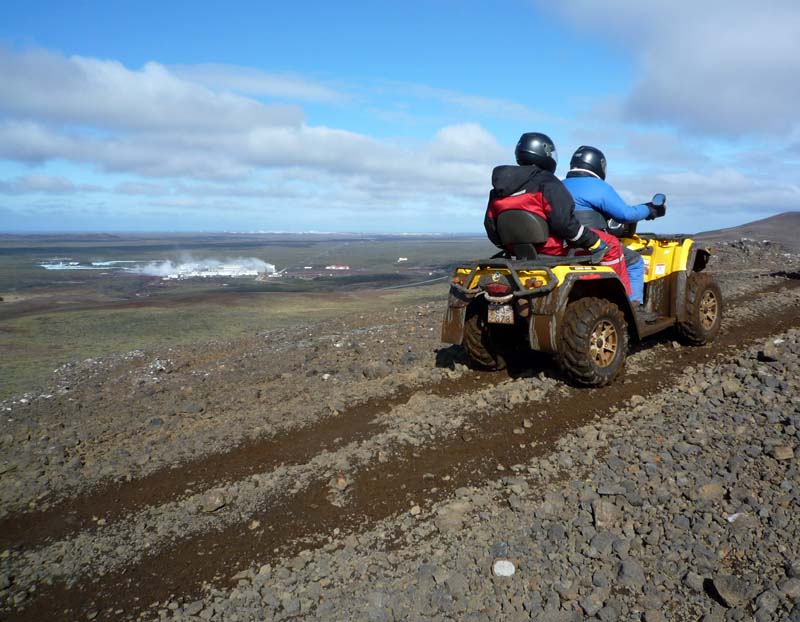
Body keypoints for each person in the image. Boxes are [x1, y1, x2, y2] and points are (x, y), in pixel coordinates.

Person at [484, 132, 631, 295]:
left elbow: (490, 226)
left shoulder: (498, 189)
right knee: (612, 245)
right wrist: (593, 242)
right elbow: (564, 223)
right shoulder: (547, 182)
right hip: (551, 246)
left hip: (518, 250)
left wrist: (511, 247)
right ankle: (619, 297)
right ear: (545, 153)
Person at [561, 145, 662, 307]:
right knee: (635, 261)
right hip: (592, 242)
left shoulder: (560, 185)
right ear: (599, 165)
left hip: (563, 244)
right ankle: (633, 306)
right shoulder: (598, 186)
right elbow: (626, 215)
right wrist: (649, 209)